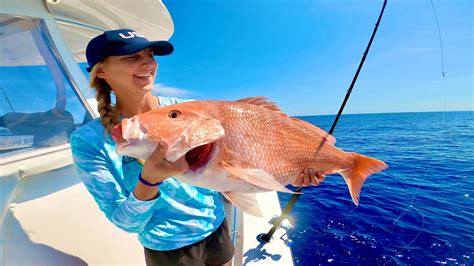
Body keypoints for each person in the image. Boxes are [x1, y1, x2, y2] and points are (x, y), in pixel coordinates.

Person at [70, 29, 325, 266]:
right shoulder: (89, 141)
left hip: (216, 226)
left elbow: (240, 155)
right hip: (169, 248)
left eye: (150, 55)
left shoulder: (189, 108)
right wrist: (149, 181)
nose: (148, 64)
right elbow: (125, 222)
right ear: (102, 71)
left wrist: (295, 170)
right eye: (132, 57)